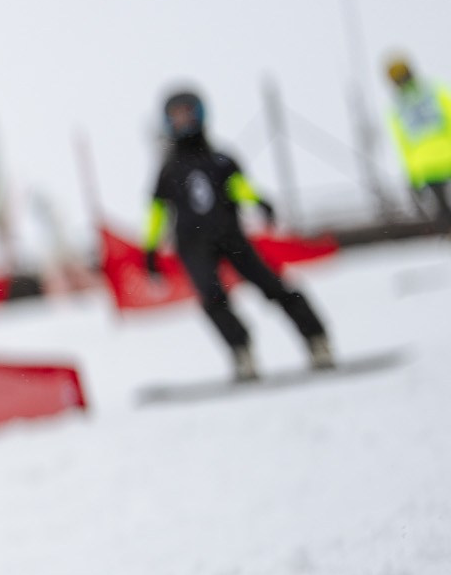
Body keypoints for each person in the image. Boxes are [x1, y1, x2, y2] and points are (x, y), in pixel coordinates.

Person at [142, 87, 333, 383]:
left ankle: (317, 338)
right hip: (193, 244)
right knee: (212, 297)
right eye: (175, 117)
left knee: (273, 285)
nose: (182, 122)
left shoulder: (221, 159)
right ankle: (241, 351)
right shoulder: (168, 170)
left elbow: (238, 187)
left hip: (231, 235)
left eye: (187, 114)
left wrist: (257, 200)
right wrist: (151, 248)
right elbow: (156, 211)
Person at [384, 53, 451, 227]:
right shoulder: (435, 91)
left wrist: (413, 179)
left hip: (427, 168)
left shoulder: (396, 109)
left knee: (444, 215)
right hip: (447, 157)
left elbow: (404, 146)